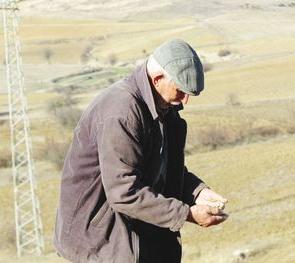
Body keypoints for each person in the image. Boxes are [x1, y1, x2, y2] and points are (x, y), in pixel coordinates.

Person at [53, 39, 229, 263]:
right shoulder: (122, 112)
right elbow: (123, 191)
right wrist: (186, 214)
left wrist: (197, 192)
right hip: (103, 240)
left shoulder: (163, 105)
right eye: (181, 90)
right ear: (157, 79)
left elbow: (165, 168)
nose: (185, 100)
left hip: (136, 230)